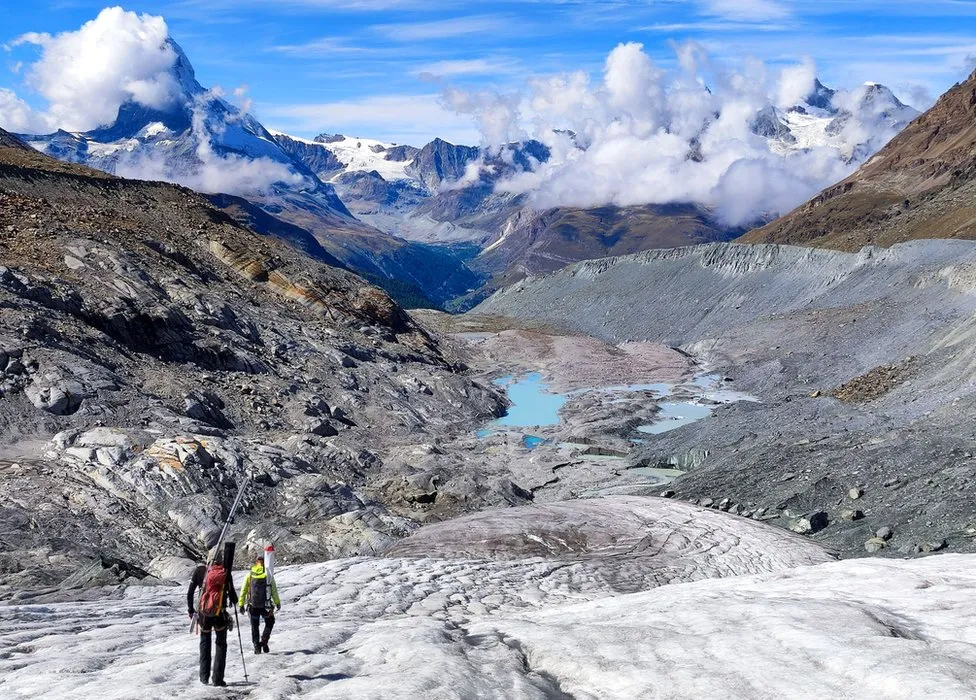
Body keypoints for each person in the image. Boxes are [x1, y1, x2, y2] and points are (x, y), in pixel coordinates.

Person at [187, 551, 239, 686]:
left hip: (204, 615)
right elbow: (233, 596)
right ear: (221, 560)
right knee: (221, 644)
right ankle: (218, 679)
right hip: (219, 614)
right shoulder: (225, 572)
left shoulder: (200, 571)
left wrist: (191, 610)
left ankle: (204, 677)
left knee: (205, 643)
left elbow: (190, 592)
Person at [238, 554, 281, 654]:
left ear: (256, 562)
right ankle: (264, 640)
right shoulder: (268, 575)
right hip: (266, 606)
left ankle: (257, 645)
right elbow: (273, 590)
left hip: (253, 606)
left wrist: (241, 604)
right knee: (270, 621)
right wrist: (277, 602)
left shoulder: (250, 575)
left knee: (254, 626)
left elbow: (243, 590)